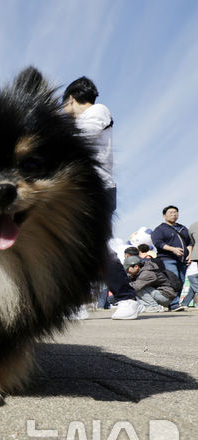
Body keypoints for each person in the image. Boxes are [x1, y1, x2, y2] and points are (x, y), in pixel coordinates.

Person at [63, 76, 142, 320]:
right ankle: (78, 303)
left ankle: (127, 298)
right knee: (76, 248)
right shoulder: (85, 119)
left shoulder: (97, 112)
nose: (64, 110)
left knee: (98, 245)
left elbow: (79, 139)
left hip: (98, 190)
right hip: (82, 191)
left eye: (64, 105)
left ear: (72, 99)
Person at [150, 205, 192, 311]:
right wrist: (172, 249)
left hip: (182, 260)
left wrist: (190, 254)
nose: (174, 214)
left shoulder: (183, 228)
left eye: (176, 212)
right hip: (167, 259)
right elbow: (158, 242)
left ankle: (171, 303)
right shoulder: (160, 229)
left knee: (181, 281)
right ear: (164, 215)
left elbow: (189, 242)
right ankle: (174, 304)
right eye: (171, 212)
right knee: (173, 280)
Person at [181, 220, 198, 308]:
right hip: (193, 273)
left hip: (192, 271)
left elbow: (193, 241)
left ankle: (184, 303)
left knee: (193, 287)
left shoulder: (193, 225)